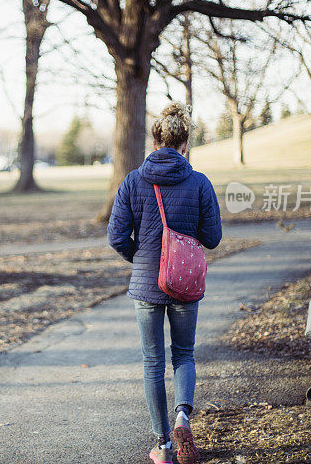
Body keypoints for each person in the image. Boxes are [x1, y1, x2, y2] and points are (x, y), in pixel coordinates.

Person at [107, 102, 222, 464]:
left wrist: (140, 259)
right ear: (185, 143)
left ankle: (164, 446)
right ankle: (183, 417)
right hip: (184, 283)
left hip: (146, 286)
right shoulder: (199, 182)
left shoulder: (133, 180)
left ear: (155, 141)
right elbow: (213, 237)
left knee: (153, 361)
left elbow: (116, 236)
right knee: (184, 354)